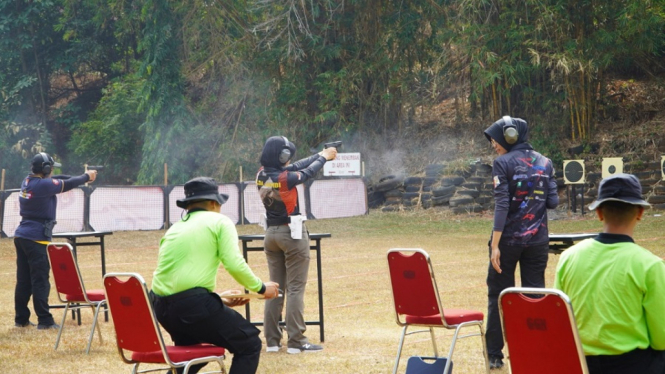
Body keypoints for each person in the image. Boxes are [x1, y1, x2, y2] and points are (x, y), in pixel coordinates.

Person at [151, 177, 279, 374]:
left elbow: (176, 285)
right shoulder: (220, 221)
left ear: (189, 205)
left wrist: (217, 299)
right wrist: (261, 288)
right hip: (193, 306)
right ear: (213, 203)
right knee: (249, 343)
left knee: (193, 354)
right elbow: (234, 263)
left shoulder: (174, 228)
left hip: (161, 308)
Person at [554, 173, 665, 373]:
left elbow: (559, 322)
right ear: (640, 212)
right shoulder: (650, 265)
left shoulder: (568, 257)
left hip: (579, 364)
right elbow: (661, 338)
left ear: (599, 213)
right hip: (631, 366)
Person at [483, 116, 559, 369]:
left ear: (510, 135)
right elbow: (552, 202)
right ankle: (536, 350)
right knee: (535, 296)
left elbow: (502, 204)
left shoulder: (501, 163)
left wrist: (495, 245)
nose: (494, 145)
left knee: (498, 296)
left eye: (495, 140)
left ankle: (495, 355)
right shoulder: (546, 162)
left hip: (508, 243)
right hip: (538, 242)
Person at [255, 136, 337, 354]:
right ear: (281, 155)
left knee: (275, 289)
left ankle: (272, 341)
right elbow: (306, 173)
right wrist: (325, 159)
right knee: (295, 289)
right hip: (291, 233)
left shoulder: (262, 174)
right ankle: (296, 341)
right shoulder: (284, 177)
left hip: (270, 235)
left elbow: (297, 166)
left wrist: (321, 154)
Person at [14, 152, 98, 329]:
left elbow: (60, 179)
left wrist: (84, 178)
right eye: (50, 168)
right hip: (37, 238)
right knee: (40, 281)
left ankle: (21, 319)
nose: (52, 171)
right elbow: (66, 183)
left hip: (22, 236)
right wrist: (85, 177)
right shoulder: (44, 185)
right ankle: (44, 320)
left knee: (24, 281)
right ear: (45, 169)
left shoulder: (28, 181)